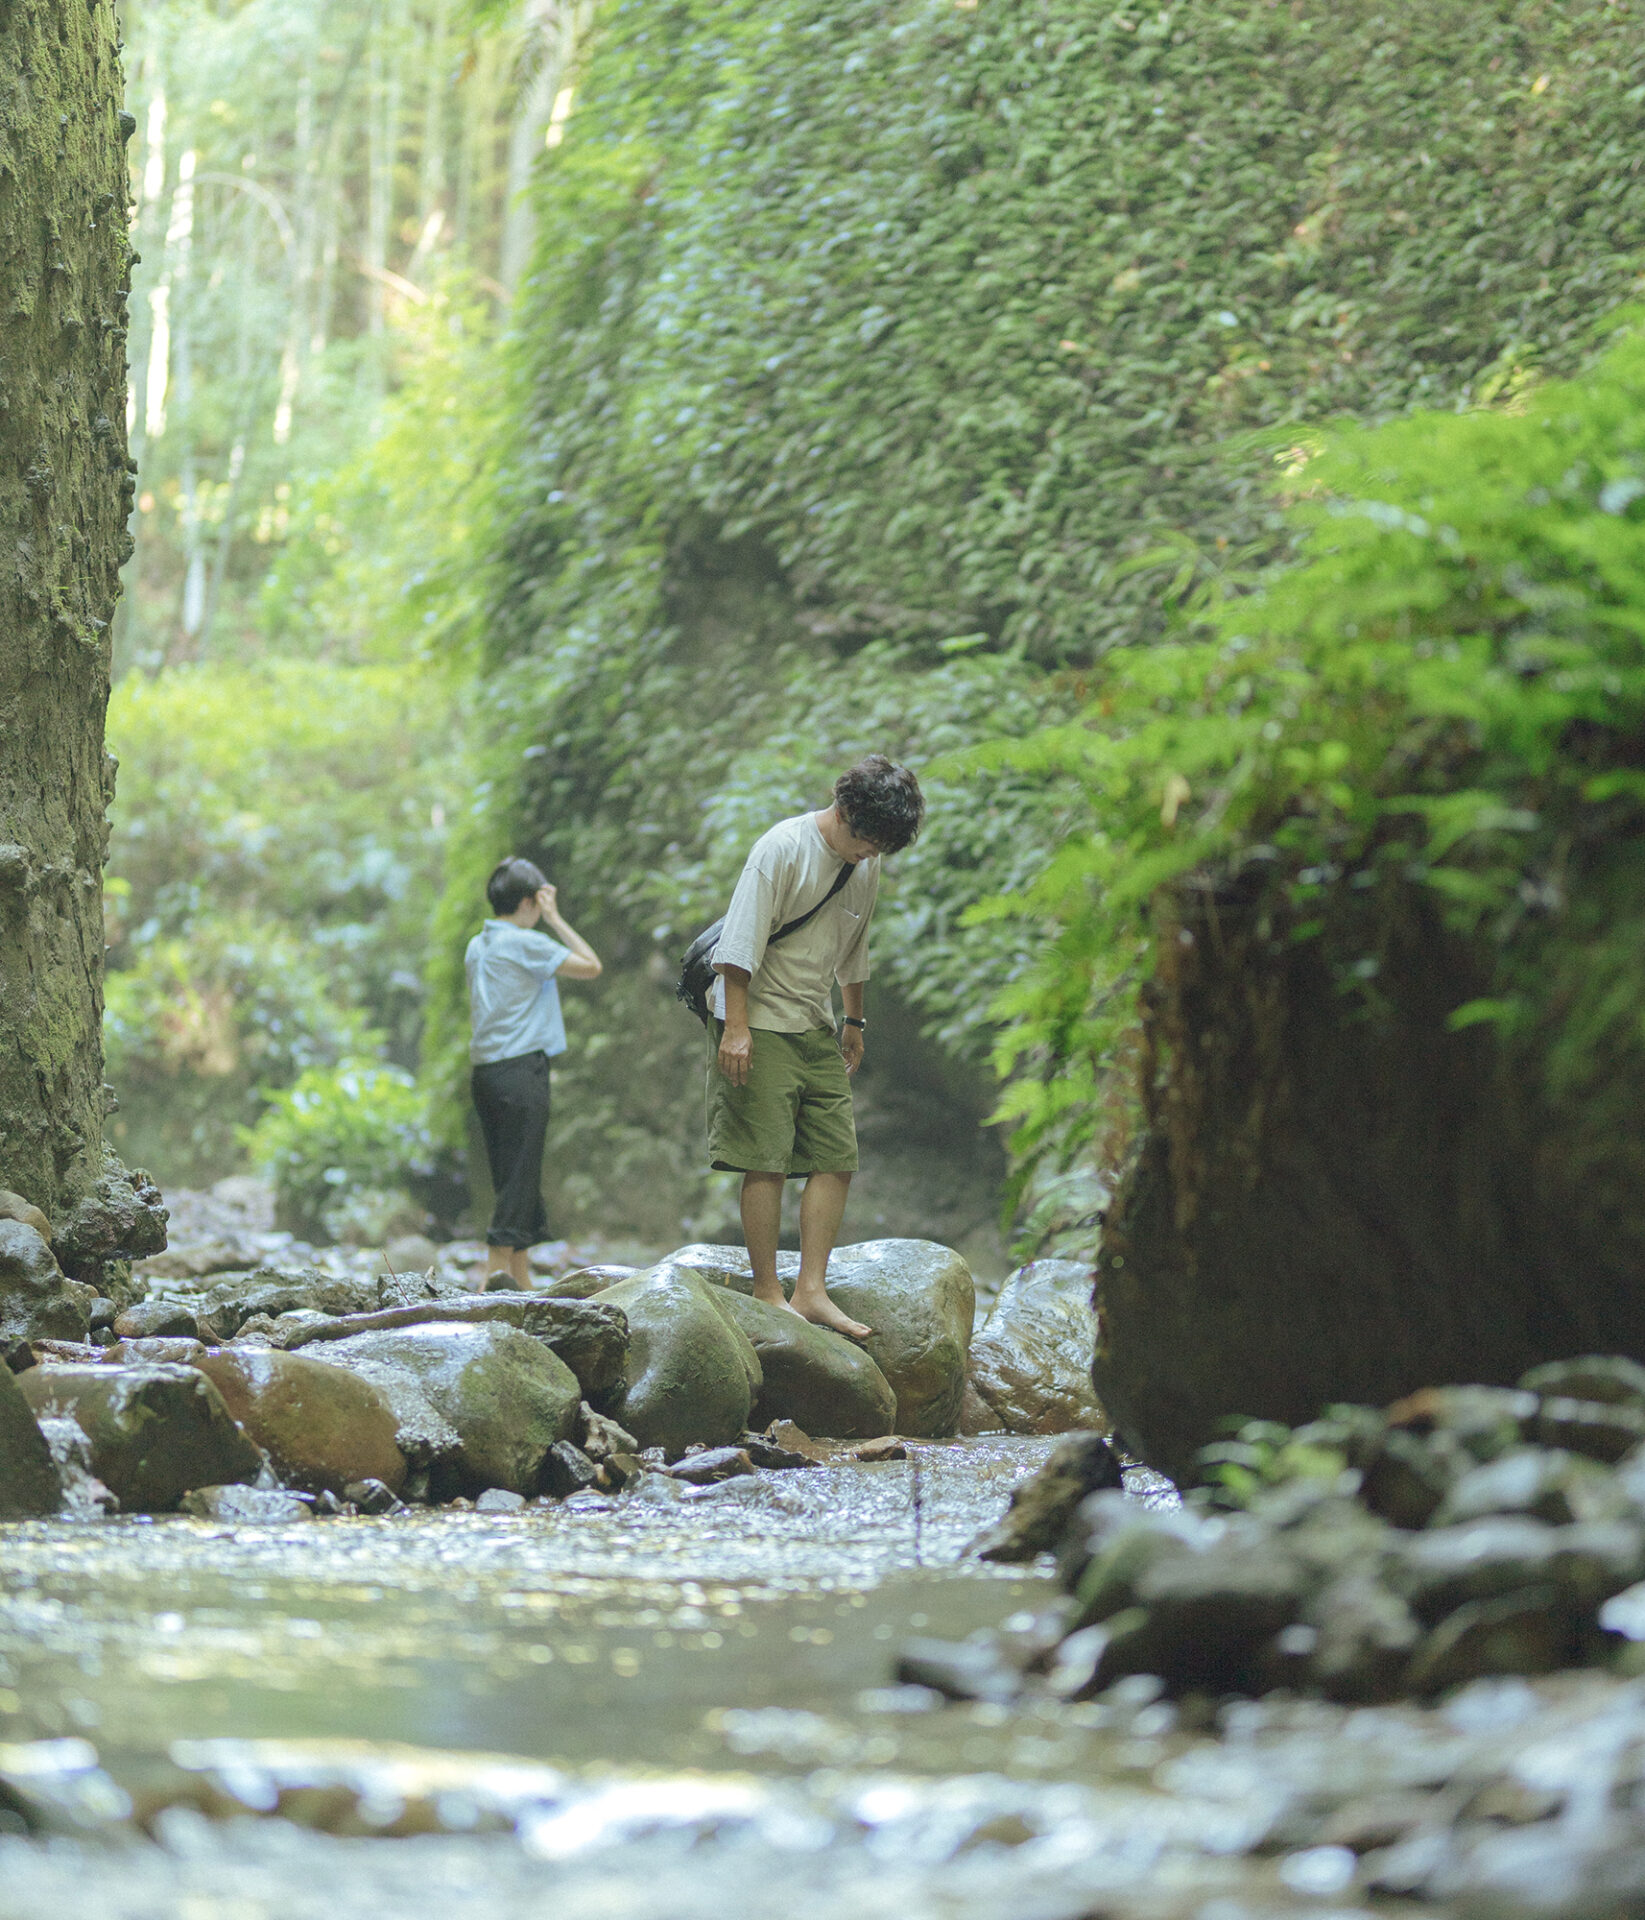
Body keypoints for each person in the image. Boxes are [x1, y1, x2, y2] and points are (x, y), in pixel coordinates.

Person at [708, 755, 924, 1339]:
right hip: (759, 1014)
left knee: (835, 1157)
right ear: (846, 812)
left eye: (883, 846)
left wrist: (855, 1019)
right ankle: (766, 1291)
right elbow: (738, 944)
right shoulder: (781, 849)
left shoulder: (865, 865)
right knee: (767, 1157)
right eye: (869, 839)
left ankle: (811, 1290)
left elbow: (855, 946)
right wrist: (735, 1027)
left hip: (814, 1019)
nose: (872, 853)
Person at [465, 857, 602, 1289]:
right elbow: (590, 964)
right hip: (523, 1069)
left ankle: (520, 1284)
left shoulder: (478, 945)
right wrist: (556, 919)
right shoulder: (526, 943)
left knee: (512, 1175)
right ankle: (492, 1277)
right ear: (530, 901)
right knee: (520, 1175)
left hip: (486, 1073)